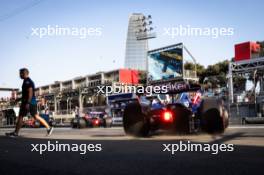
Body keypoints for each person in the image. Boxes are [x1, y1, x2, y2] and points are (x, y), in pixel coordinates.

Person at [6, 68, 53, 137]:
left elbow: (30, 92)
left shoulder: (28, 81)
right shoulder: (26, 81)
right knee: (35, 116)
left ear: (24, 73)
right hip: (30, 102)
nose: (19, 75)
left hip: (28, 102)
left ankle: (16, 133)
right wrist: (19, 99)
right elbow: (26, 94)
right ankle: (49, 128)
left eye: (20, 74)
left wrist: (28, 103)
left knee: (21, 116)